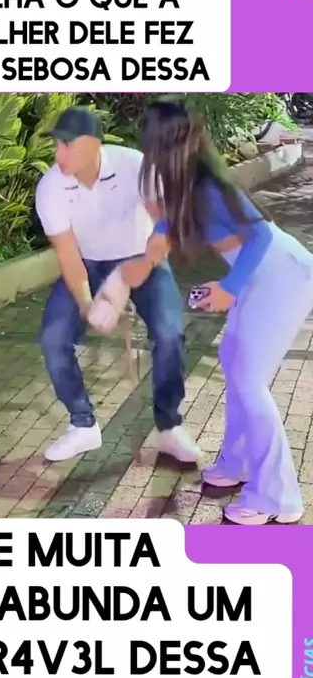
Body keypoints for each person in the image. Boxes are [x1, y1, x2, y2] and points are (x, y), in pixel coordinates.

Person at [120, 100, 313, 525]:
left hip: (284, 276)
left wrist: (229, 287)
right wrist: (153, 247)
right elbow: (173, 221)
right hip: (262, 277)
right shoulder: (188, 183)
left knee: (249, 381)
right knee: (234, 362)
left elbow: (259, 236)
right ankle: (238, 462)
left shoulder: (208, 187)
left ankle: (277, 497)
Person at [35, 106, 200, 464]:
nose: (59, 153)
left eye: (67, 145)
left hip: (142, 258)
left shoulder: (134, 165)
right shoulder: (50, 188)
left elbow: (166, 224)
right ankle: (83, 425)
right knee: (53, 338)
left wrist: (142, 267)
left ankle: (169, 426)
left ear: (94, 144)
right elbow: (68, 255)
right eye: (57, 144)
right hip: (89, 264)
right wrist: (87, 305)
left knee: (170, 334)